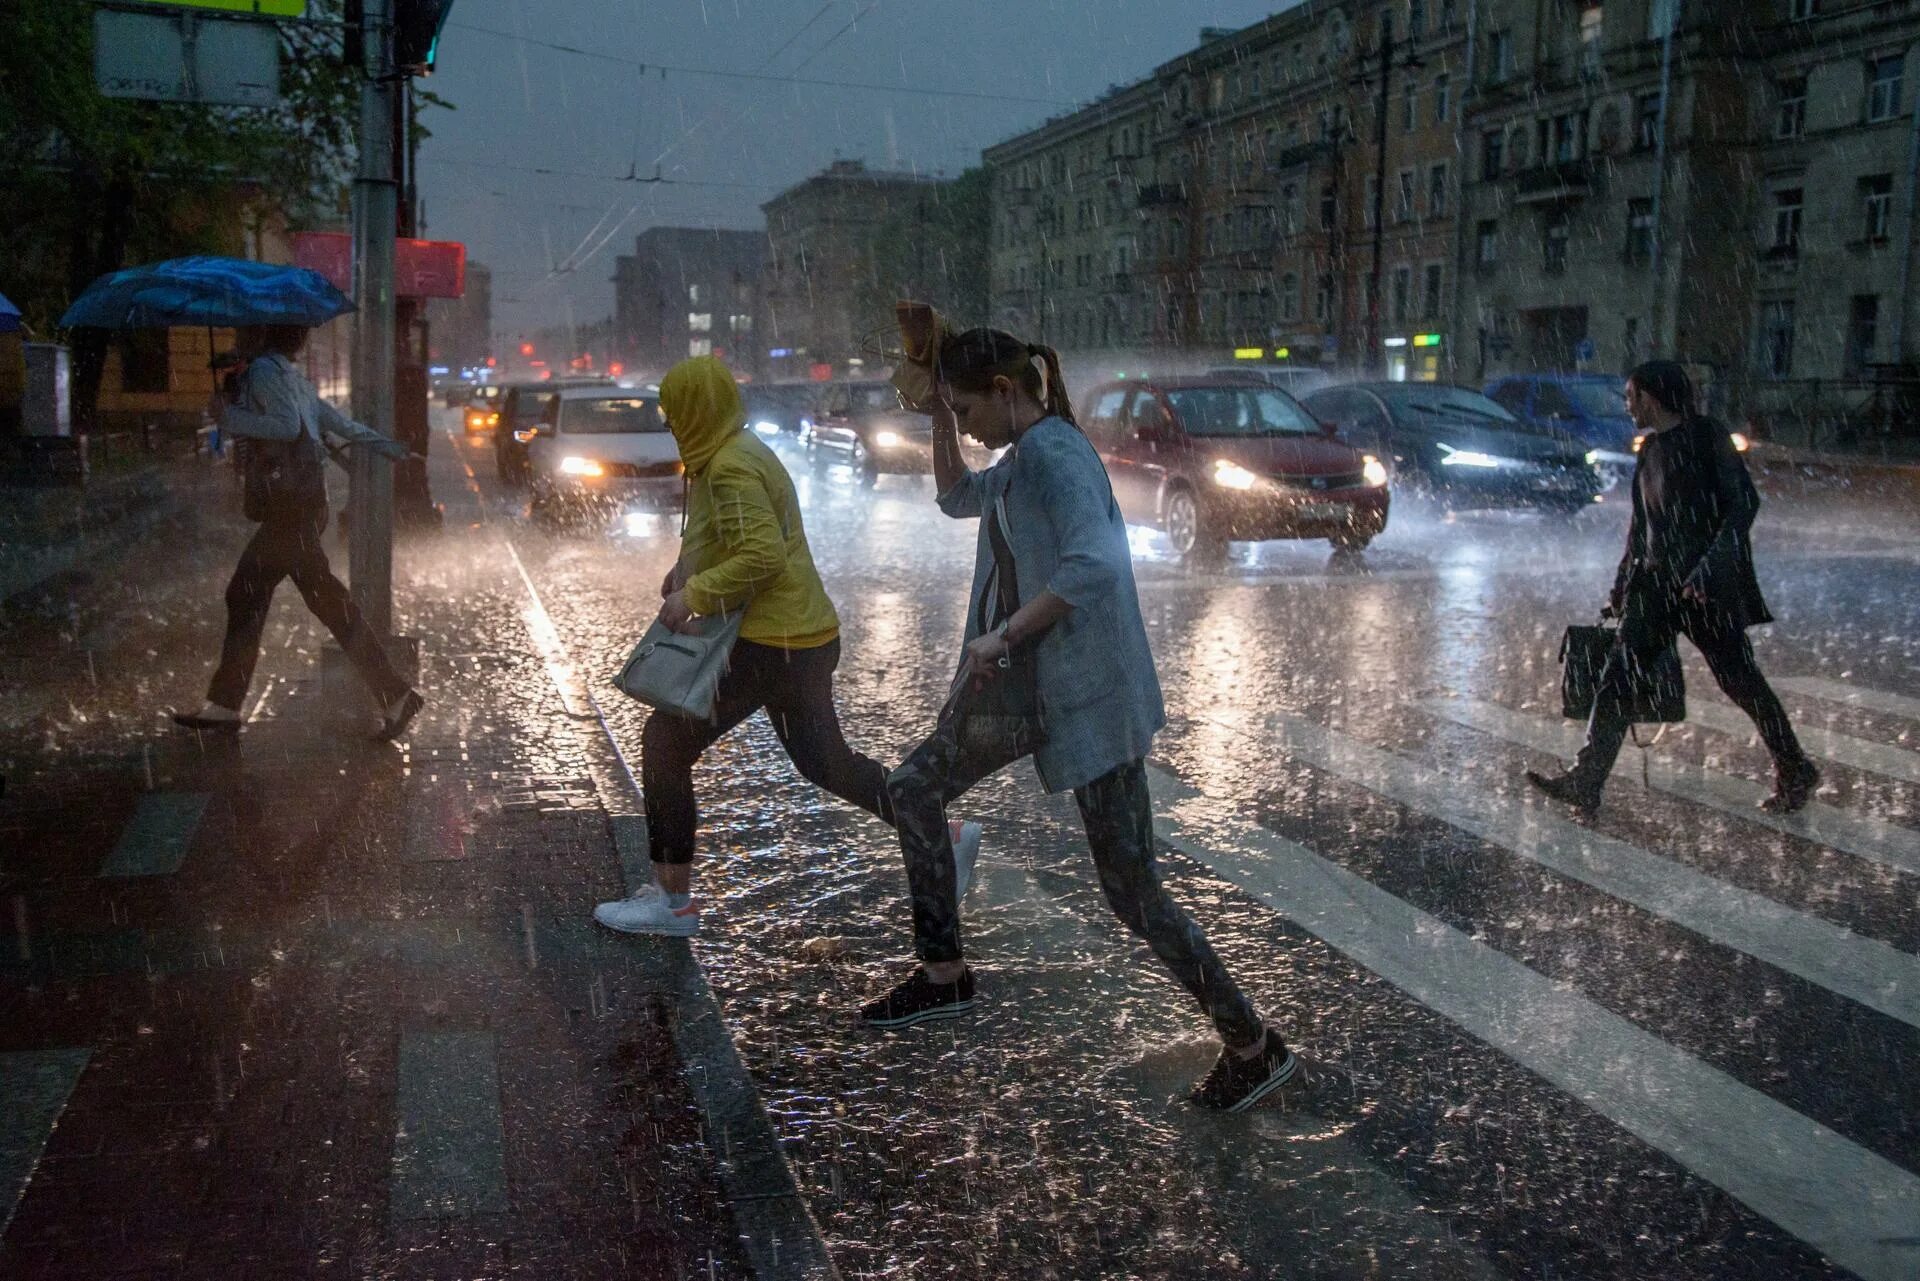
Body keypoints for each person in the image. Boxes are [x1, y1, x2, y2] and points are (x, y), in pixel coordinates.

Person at [859, 328, 1300, 1114]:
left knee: (1133, 892)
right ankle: (943, 975)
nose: (964, 426)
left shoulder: (1055, 456)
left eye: (965, 409)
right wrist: (932, 415)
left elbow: (1094, 563)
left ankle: (1252, 1044)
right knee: (915, 787)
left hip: (1082, 694)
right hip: (1028, 691)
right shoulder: (1021, 459)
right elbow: (959, 497)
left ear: (1004, 389)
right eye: (951, 412)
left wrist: (1005, 632)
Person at [592, 355, 980, 937]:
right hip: (803, 636)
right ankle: (939, 833)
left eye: (676, 414)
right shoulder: (735, 451)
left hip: (772, 641)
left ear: (699, 411)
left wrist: (694, 592)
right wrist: (687, 566)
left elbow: (762, 555)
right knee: (824, 761)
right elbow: (738, 536)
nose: (672, 425)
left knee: (666, 741)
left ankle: (671, 903)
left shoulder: (728, 468)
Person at [1528, 360, 1817, 815]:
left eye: (1630, 396)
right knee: (1618, 679)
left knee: (1740, 681)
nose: (1626, 405)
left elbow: (1743, 504)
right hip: (1656, 586)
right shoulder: (1650, 449)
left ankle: (1795, 767)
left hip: (1703, 590)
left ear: (1650, 397)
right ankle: (1587, 778)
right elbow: (1642, 526)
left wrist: (1709, 569)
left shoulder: (1707, 436)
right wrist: (1623, 581)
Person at [173, 324, 423, 741]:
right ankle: (394, 694)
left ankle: (225, 707)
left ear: (260, 337)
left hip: (289, 508)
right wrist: (391, 448)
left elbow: (287, 427)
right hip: (306, 505)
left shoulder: (266, 374)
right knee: (314, 601)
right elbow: (341, 424)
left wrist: (229, 415)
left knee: (255, 594)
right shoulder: (293, 378)